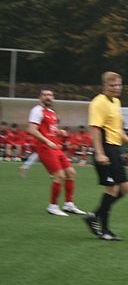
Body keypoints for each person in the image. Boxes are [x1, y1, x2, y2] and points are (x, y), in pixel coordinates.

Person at [85, 71, 128, 241]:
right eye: (112, 85)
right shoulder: (98, 103)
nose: (116, 88)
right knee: (112, 189)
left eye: (119, 85)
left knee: (126, 188)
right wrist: (99, 153)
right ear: (104, 86)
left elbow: (117, 128)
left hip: (116, 149)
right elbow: (95, 129)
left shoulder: (116, 102)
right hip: (105, 149)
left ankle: (94, 216)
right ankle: (105, 230)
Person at [26, 89, 86, 217]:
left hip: (55, 148)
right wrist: (47, 141)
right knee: (59, 175)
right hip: (45, 147)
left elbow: (50, 130)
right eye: (45, 95)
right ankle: (52, 206)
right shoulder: (37, 110)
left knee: (71, 173)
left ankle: (69, 204)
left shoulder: (52, 112)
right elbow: (32, 130)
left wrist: (60, 132)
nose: (48, 97)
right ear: (40, 97)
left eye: (50, 95)